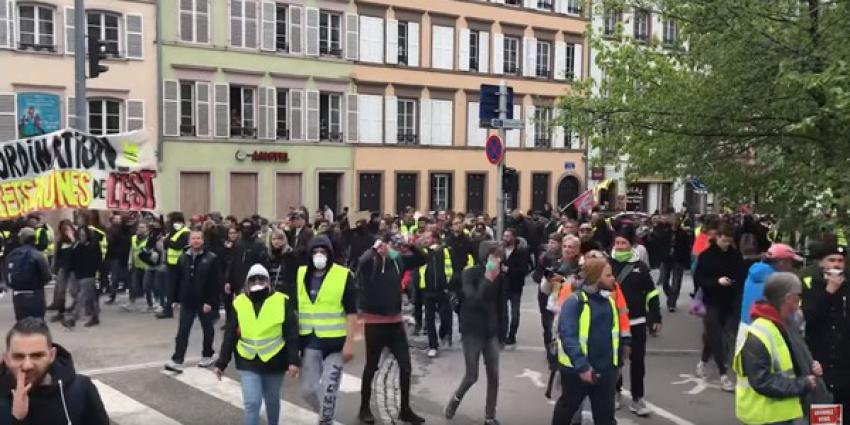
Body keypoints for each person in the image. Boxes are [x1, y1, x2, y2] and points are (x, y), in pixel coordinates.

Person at [733, 273, 825, 425]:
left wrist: (811, 367)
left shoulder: (786, 324)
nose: (799, 303)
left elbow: (790, 362)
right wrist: (804, 383)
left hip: (787, 414)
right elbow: (762, 381)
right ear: (788, 298)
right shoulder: (758, 335)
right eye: (798, 297)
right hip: (765, 418)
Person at [214, 264, 300, 425]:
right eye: (253, 280)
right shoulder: (239, 302)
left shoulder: (282, 301)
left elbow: (292, 334)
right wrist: (222, 363)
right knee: (252, 403)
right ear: (247, 283)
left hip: (275, 360)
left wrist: (293, 360)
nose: (257, 283)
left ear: (269, 282)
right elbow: (230, 335)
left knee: (272, 401)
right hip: (248, 361)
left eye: (261, 279)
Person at [356, 235, 426, 425]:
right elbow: (361, 263)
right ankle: (364, 408)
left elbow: (422, 259)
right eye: (389, 245)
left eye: (394, 245)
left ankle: (405, 409)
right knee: (371, 366)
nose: (391, 248)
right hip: (375, 322)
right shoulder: (371, 261)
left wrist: (410, 245)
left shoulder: (398, 261)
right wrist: (374, 249)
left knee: (405, 366)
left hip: (395, 322)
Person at [551, 256, 625, 425]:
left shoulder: (609, 302)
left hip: (605, 371)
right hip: (577, 372)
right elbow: (568, 336)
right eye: (608, 275)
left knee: (605, 417)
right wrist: (582, 366)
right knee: (567, 409)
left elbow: (615, 336)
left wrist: (617, 364)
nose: (612, 278)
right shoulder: (575, 302)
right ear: (595, 277)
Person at [295, 236, 357, 424]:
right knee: (307, 390)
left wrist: (349, 344)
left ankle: (325, 420)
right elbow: (297, 307)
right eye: (315, 252)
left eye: (323, 252)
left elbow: (352, 312)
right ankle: (324, 414)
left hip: (335, 344)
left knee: (329, 390)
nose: (319, 255)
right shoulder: (301, 274)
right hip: (310, 342)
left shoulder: (343, 275)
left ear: (329, 254)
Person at [0, 318, 109, 424]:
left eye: (37, 355)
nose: (27, 365)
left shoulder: (81, 390)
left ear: (52, 355)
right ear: (6, 359)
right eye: (18, 357)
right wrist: (17, 418)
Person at [445, 243, 505, 425]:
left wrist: (501, 333)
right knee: (472, 375)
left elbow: (501, 305)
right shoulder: (469, 273)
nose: (497, 261)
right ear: (485, 256)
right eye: (494, 256)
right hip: (472, 330)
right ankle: (454, 401)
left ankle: (490, 416)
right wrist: (487, 278)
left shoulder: (500, 277)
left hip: (491, 331)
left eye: (499, 257)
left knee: (494, 375)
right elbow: (474, 299)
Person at [610, 227, 660, 416]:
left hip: (637, 321)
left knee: (638, 361)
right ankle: (615, 391)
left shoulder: (641, 266)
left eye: (624, 243)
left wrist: (656, 316)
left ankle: (638, 398)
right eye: (617, 243)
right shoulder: (607, 264)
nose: (620, 246)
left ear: (631, 245)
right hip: (614, 322)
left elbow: (652, 292)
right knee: (616, 360)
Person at [693, 224, 747, 392]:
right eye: (723, 240)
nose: (726, 244)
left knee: (713, 335)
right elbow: (699, 278)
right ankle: (723, 374)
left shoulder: (735, 255)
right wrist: (716, 281)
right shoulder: (706, 256)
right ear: (717, 238)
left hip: (729, 301)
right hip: (711, 300)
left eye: (728, 242)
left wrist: (734, 283)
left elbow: (741, 275)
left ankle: (702, 362)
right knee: (716, 334)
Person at [801, 238, 850, 413]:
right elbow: (809, 317)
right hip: (819, 361)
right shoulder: (810, 283)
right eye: (832, 260)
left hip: (844, 364)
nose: (836, 264)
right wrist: (829, 291)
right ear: (821, 262)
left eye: (840, 260)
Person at [165, 229, 222, 372]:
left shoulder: (211, 258)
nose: (196, 241)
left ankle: (208, 354)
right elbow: (178, 279)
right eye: (193, 238)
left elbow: (215, 282)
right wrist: (175, 299)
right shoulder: (183, 257)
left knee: (207, 328)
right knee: (182, 330)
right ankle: (177, 359)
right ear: (189, 241)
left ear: (203, 240)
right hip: (187, 300)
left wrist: (210, 302)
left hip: (204, 301)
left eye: (198, 238)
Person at [739, 243, 801, 326]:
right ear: (782, 262)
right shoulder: (779, 282)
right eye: (790, 262)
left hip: (745, 326)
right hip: (765, 328)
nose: (791, 267)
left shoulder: (754, 273)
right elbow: (788, 313)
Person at [224, 220, 270, 327]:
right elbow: (231, 263)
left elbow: (264, 264)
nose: (246, 230)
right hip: (238, 281)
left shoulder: (259, 244)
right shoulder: (238, 244)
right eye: (244, 228)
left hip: (255, 281)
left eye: (248, 228)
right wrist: (228, 281)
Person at [4, 227, 52, 321]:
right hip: (35, 294)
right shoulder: (38, 255)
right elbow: (47, 275)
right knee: (37, 323)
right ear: (34, 239)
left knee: (21, 324)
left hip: (18, 295)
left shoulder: (12, 254)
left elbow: (7, 274)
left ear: (21, 239)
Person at [63, 226, 104, 328]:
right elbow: (71, 258)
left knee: (82, 296)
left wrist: (98, 273)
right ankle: (95, 317)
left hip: (89, 275)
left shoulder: (93, 245)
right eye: (80, 235)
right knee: (90, 298)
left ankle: (73, 319)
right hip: (78, 274)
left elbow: (98, 260)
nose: (82, 237)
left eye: (84, 235)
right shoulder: (76, 245)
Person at [501, 228, 531, 347]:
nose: (505, 238)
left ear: (513, 238)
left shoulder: (521, 252)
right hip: (503, 285)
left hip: (515, 285)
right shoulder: (500, 250)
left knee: (515, 312)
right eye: (504, 236)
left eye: (508, 236)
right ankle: (502, 334)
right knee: (503, 312)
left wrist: (508, 270)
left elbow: (525, 269)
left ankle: (512, 335)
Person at [158, 212, 190, 319]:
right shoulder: (173, 232)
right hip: (171, 263)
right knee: (170, 288)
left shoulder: (185, 232)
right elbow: (166, 245)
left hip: (180, 264)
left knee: (176, 288)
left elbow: (178, 246)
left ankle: (171, 310)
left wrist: (167, 241)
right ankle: (168, 309)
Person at [47, 220, 75, 322]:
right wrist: (55, 267)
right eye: (64, 229)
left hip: (74, 269)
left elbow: (78, 251)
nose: (66, 231)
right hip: (63, 268)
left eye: (68, 228)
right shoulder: (61, 242)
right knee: (60, 290)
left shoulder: (75, 240)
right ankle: (60, 311)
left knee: (74, 290)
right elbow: (57, 255)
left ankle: (77, 307)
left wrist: (72, 239)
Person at [122, 220, 151, 312]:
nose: (141, 229)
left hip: (147, 266)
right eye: (139, 227)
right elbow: (132, 250)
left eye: (143, 227)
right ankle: (131, 302)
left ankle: (150, 304)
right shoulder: (133, 238)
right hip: (136, 265)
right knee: (133, 285)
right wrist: (130, 261)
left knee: (146, 286)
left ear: (147, 229)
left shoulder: (149, 239)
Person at [104, 214, 131, 304]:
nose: (118, 220)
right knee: (112, 277)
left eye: (119, 219)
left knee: (116, 277)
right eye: (116, 219)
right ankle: (112, 293)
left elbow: (125, 241)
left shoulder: (124, 230)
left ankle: (114, 294)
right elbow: (109, 241)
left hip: (119, 256)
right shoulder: (110, 230)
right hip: (111, 255)